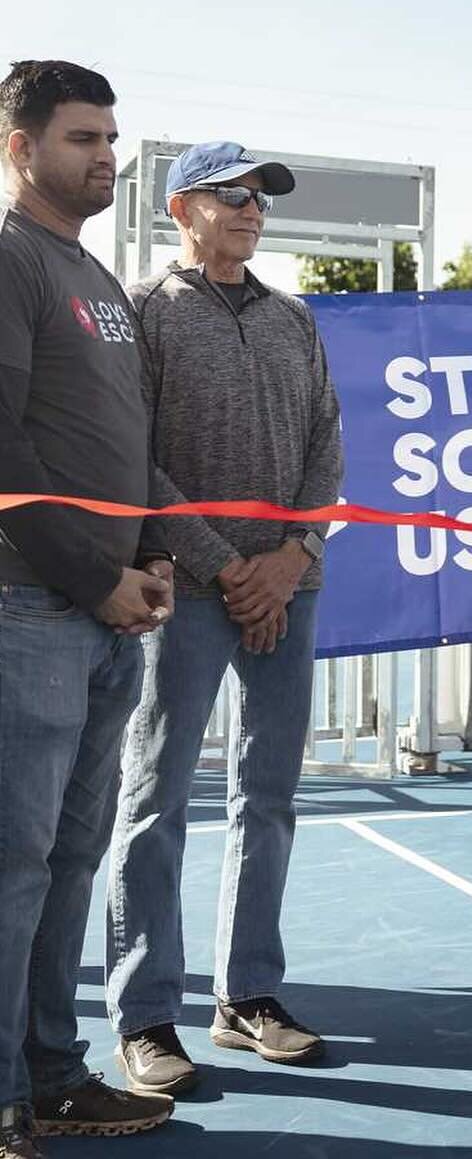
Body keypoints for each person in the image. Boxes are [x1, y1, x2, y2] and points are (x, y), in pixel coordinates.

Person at [105, 142, 343, 1095]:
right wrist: (228, 566)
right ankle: (145, 1012)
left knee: (269, 798)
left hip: (288, 585)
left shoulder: (294, 317)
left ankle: (248, 995)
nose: (252, 211)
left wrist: (292, 561)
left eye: (260, 200)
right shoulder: (144, 313)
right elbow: (135, 458)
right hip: (190, 590)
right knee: (154, 800)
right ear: (182, 209)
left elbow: (328, 443)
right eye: (232, 196)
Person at [0, 61, 176, 1157]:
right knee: (14, 861)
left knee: (70, 858)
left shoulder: (98, 278)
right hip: (30, 609)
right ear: (19, 145)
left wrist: (148, 557)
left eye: (111, 136)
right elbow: (4, 448)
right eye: (79, 137)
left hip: (106, 614)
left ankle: (53, 1074)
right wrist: (92, 573)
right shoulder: (11, 260)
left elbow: (130, 442)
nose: (104, 154)